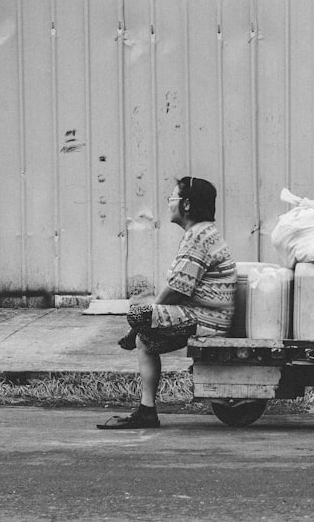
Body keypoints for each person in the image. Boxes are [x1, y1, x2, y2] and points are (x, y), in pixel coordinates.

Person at [98, 176, 237, 430]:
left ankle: (146, 408)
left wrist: (143, 318)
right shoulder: (203, 233)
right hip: (204, 314)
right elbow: (177, 288)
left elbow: (176, 290)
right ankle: (147, 410)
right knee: (144, 339)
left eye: (172, 198)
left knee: (139, 312)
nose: (169, 204)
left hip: (206, 319)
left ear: (186, 205)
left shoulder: (198, 238)